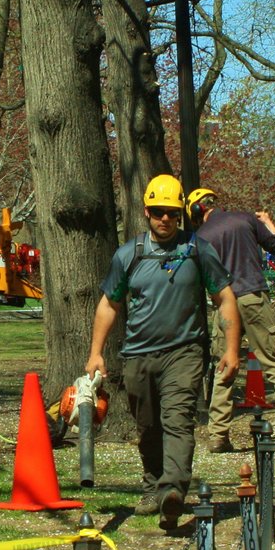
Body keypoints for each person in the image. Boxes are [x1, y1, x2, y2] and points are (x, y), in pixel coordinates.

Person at [86, 174, 241, 530]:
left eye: (172, 213)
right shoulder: (130, 255)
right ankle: (152, 485)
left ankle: (173, 491)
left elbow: (225, 299)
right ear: (146, 212)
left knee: (178, 419)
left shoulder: (198, 250)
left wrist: (232, 349)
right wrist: (96, 352)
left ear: (181, 214)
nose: (165, 219)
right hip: (139, 355)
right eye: (158, 212)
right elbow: (109, 304)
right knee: (148, 426)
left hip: (184, 352)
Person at [189, 187, 275, 450]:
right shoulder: (246, 219)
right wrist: (269, 223)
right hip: (253, 297)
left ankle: (218, 435)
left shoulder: (199, 238)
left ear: (197, 211)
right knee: (273, 362)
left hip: (223, 305)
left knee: (225, 365)